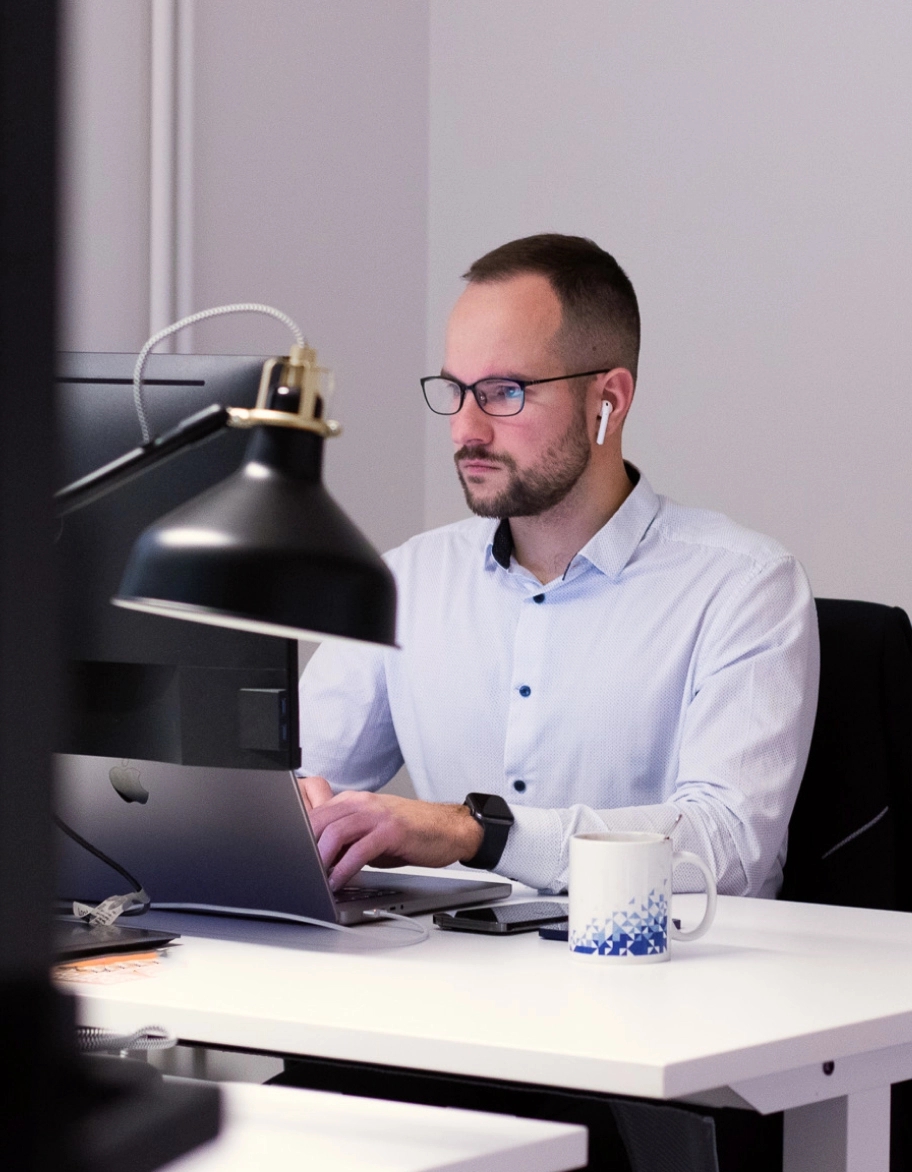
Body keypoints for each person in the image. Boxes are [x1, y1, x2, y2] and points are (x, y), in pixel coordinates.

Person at [298, 233, 819, 901]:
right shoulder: (404, 582)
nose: (466, 430)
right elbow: (295, 788)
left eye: (504, 392)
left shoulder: (744, 585)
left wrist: (478, 831)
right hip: (447, 983)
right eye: (454, 391)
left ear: (608, 400)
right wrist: (292, 812)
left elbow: (729, 846)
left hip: (663, 986)